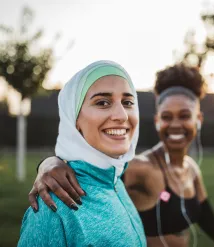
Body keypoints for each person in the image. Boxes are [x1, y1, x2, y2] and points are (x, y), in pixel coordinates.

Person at [28, 64, 214, 247]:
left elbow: (210, 223)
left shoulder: (191, 169)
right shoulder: (141, 168)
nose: (176, 125)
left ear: (199, 119)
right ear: (157, 120)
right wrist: (48, 163)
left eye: (185, 116)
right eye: (167, 116)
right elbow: (96, 174)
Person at [18, 60, 146, 247]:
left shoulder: (116, 183)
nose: (122, 116)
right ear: (74, 119)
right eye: (103, 102)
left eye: (127, 102)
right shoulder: (54, 206)